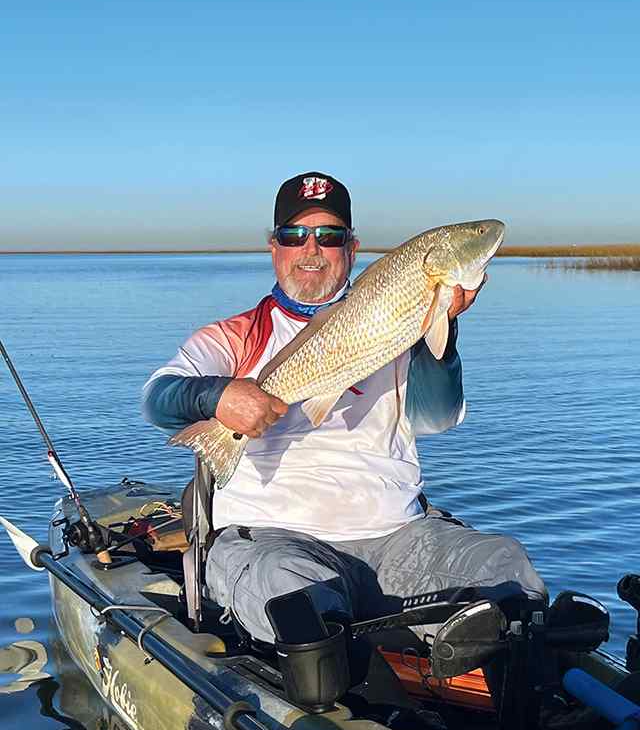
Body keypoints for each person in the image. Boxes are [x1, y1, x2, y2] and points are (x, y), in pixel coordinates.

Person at [143, 171, 546, 645]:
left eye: (329, 236)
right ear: (275, 248)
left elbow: (435, 417)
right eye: (295, 235)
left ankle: (513, 695)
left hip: (398, 537)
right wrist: (218, 397)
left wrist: (443, 330)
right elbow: (158, 399)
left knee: (506, 568)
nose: (312, 249)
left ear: (351, 249)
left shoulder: (403, 321)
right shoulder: (236, 335)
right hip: (276, 538)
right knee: (290, 594)